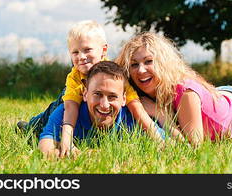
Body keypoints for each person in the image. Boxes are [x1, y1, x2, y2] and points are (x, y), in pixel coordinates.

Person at [18, 20, 163, 157]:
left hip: (90, 105)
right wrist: (67, 142)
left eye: (87, 50)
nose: (81, 57)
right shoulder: (74, 77)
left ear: (103, 50)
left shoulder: (115, 77)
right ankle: (29, 127)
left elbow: (136, 107)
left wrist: (158, 140)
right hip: (67, 104)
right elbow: (69, 109)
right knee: (43, 121)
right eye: (75, 52)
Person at [115, 32, 232, 147]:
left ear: (163, 63)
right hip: (222, 97)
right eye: (134, 64)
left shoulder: (185, 93)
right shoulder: (143, 91)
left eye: (148, 61)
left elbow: (193, 149)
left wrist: (160, 114)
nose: (140, 70)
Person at [39, 61, 163, 157]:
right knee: (36, 126)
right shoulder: (65, 113)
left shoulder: (134, 120)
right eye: (97, 94)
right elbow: (44, 148)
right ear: (85, 94)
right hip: (46, 116)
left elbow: (165, 143)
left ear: (124, 99)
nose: (104, 104)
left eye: (112, 96)